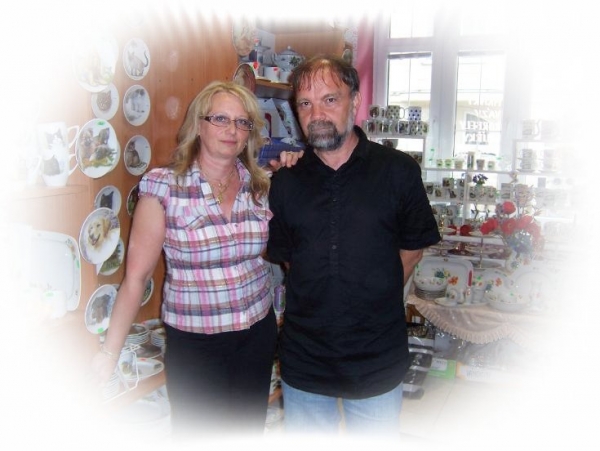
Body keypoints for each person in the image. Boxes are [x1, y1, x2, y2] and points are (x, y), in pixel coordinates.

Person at [91, 80, 301, 440]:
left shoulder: (261, 186)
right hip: (195, 342)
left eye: (242, 122)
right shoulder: (164, 186)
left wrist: (299, 168)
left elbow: (287, 248)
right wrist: (109, 354)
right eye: (220, 119)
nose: (232, 130)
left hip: (256, 334)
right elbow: (136, 278)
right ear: (198, 125)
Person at [266, 55, 441, 436]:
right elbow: (293, 260)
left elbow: (412, 250)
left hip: (376, 357)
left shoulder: (398, 171)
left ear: (355, 100)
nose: (317, 114)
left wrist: (369, 296)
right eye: (305, 104)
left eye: (330, 99)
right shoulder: (286, 181)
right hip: (305, 360)